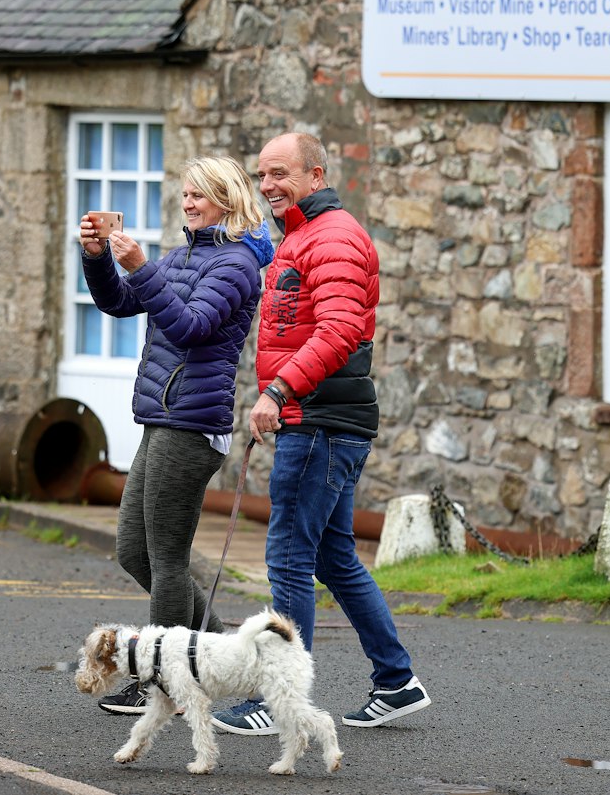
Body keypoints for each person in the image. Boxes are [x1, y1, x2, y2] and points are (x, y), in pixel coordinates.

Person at [214, 132, 430, 736]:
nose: (267, 186)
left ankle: (278, 701)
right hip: (325, 421)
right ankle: (396, 682)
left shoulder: (331, 236)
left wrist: (279, 392)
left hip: (320, 422)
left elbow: (336, 333)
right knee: (334, 555)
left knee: (288, 554)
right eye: (262, 176)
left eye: (280, 174)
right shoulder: (301, 236)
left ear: (316, 175)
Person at [79, 155, 276, 715]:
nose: (187, 203)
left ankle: (162, 681)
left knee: (165, 559)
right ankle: (225, 658)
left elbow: (189, 326)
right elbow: (119, 303)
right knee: (131, 551)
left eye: (199, 195)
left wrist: (142, 266)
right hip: (162, 418)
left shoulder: (238, 264)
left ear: (227, 199)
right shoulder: (184, 252)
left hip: (191, 425)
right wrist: (97, 259)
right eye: (185, 194)